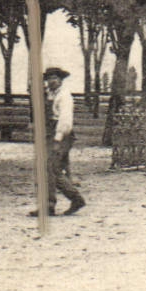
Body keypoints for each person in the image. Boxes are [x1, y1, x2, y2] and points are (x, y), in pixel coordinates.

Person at [32, 66, 86, 216]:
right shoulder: (49, 94)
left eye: (54, 78)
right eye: (49, 78)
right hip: (49, 133)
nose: (51, 81)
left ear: (60, 80)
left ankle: (58, 202)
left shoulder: (64, 96)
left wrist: (58, 139)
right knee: (50, 169)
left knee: (49, 167)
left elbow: (65, 120)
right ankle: (67, 201)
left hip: (61, 135)